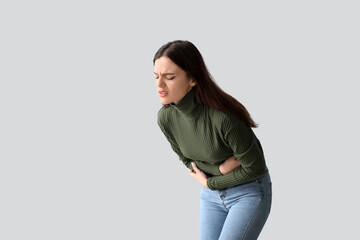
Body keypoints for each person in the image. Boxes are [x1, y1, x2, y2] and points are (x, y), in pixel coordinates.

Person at [154, 40, 272, 240]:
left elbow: (255, 167)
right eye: (156, 76)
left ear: (192, 79)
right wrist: (219, 172)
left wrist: (212, 182)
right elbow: (187, 161)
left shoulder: (225, 119)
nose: (159, 85)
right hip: (210, 196)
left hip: (248, 193)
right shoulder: (165, 118)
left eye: (169, 77)